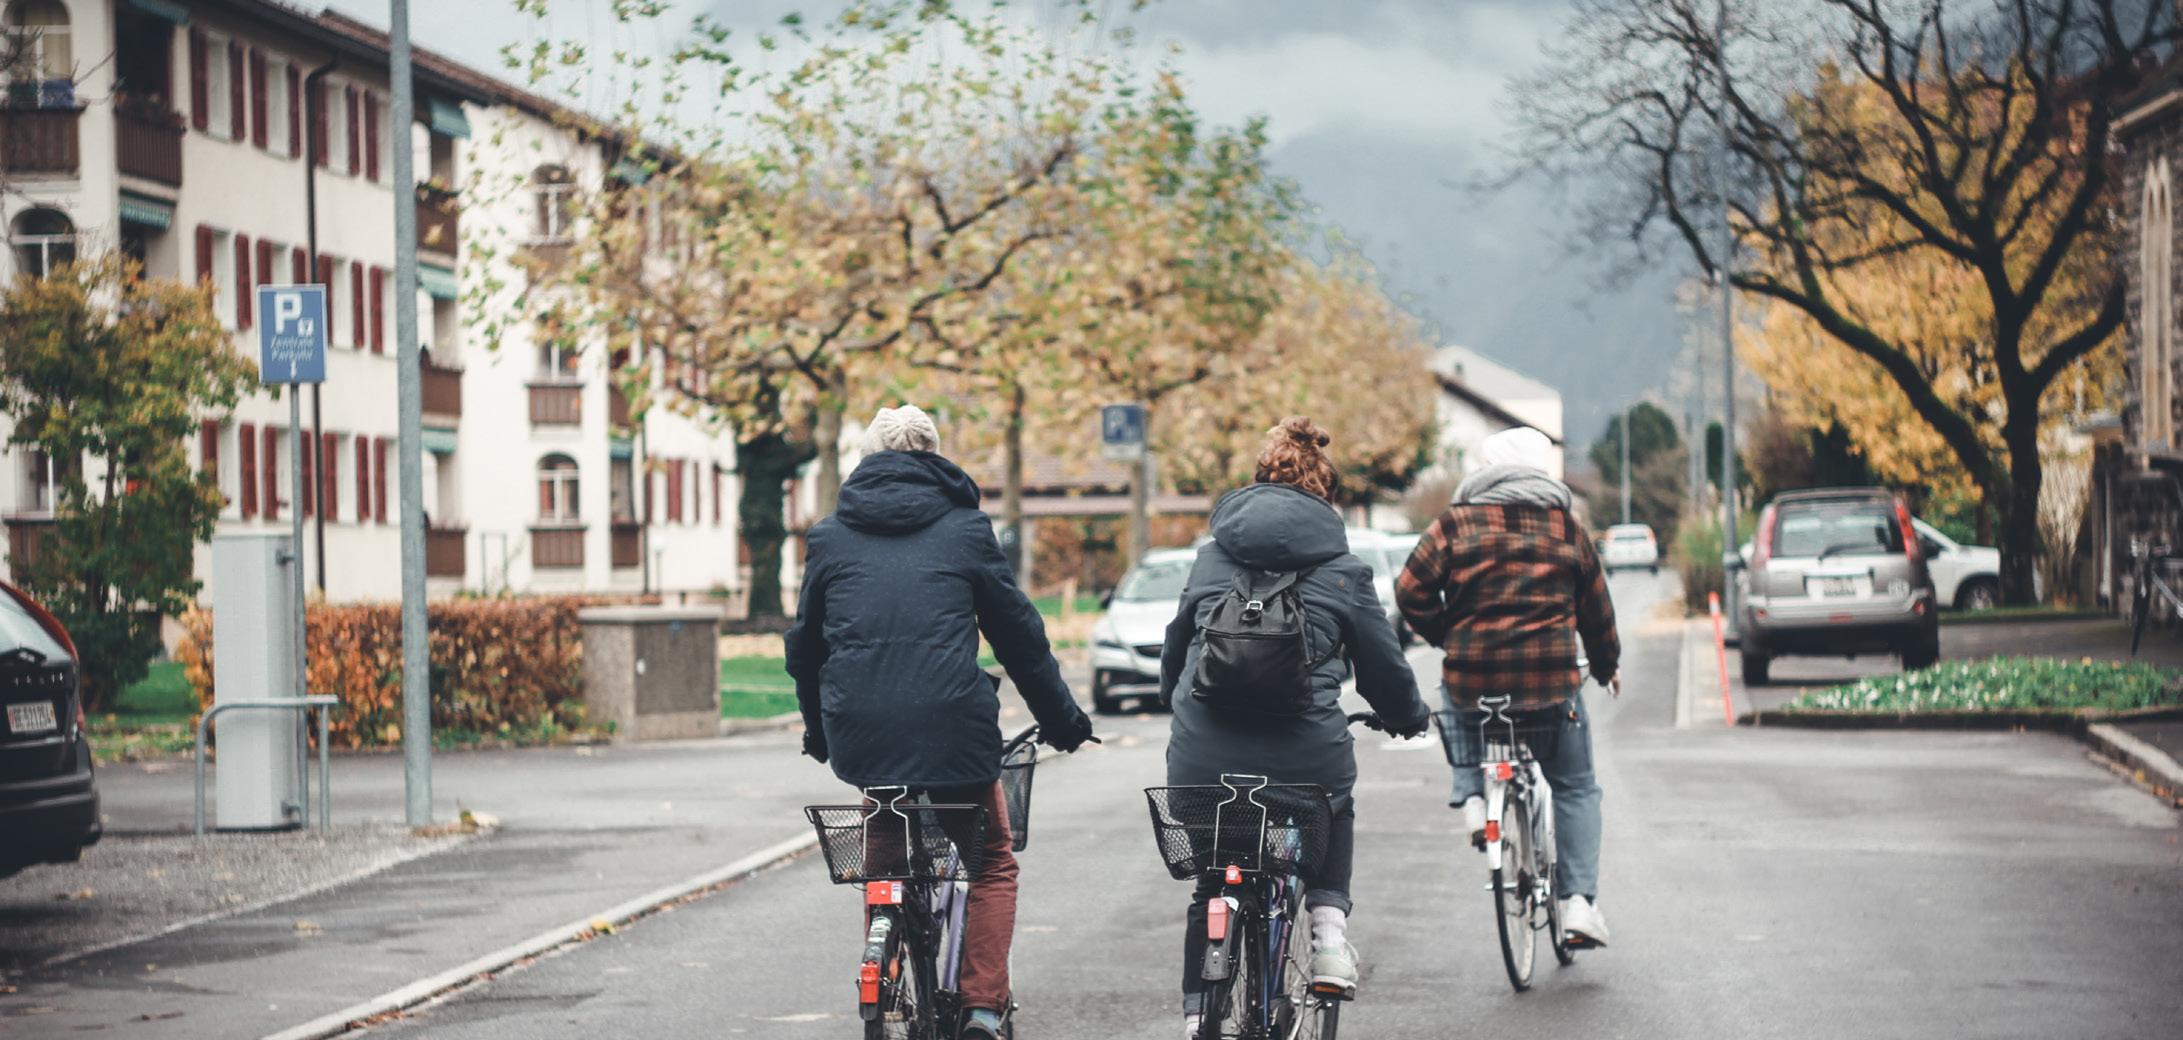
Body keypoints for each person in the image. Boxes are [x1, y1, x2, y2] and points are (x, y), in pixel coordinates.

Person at [785, 404, 1097, 1040]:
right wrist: (1063, 721)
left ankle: (885, 957)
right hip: (954, 729)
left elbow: (805, 648)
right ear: (933, 457)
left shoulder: (830, 537)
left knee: (885, 865)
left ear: (869, 459)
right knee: (991, 864)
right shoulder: (965, 530)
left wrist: (819, 731)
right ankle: (982, 1007)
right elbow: (1019, 638)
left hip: (862, 732)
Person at [1160, 417, 1433, 1035]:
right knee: (1334, 806)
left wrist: (1172, 702)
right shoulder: (1344, 571)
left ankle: (1198, 1018)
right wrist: (1408, 717)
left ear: (1258, 482)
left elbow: (1176, 652)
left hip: (1203, 763)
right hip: (1306, 762)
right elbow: (1384, 669)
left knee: (1212, 885)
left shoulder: (1210, 560)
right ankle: (1329, 937)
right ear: (1326, 496)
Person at [1395, 425, 1621, 948]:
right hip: (1550, 684)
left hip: (1475, 681)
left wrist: (1448, 635)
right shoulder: (1566, 528)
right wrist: (1606, 666)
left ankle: (1473, 798)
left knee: (1455, 698)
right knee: (1575, 786)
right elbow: (1597, 611)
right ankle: (1578, 904)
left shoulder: (1454, 524)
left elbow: (1409, 591)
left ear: (1489, 469)